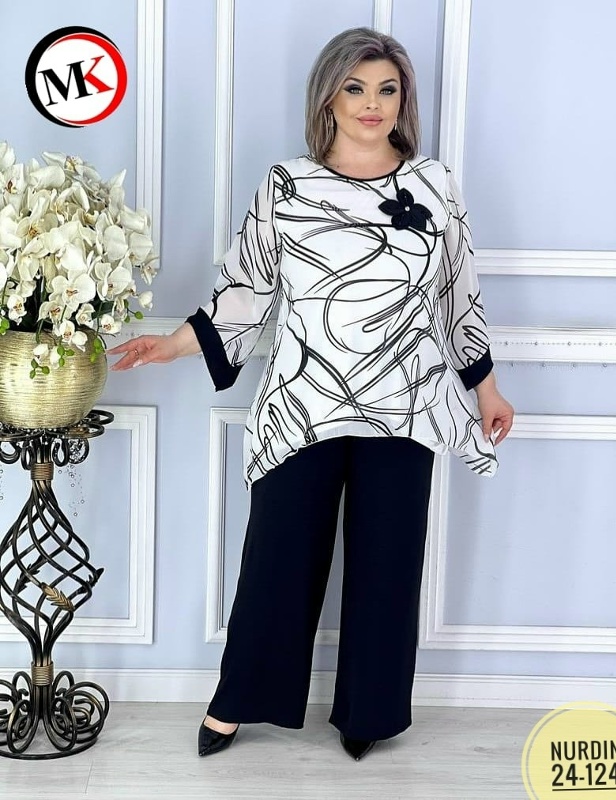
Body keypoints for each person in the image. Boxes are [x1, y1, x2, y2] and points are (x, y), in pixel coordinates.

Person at [109, 26, 514, 762]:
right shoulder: (287, 185)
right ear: (328, 97)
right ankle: (237, 702)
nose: (372, 104)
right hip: (304, 403)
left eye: (387, 89)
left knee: (389, 565)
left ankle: (368, 713)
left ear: (404, 99)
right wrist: (171, 343)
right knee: (278, 557)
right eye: (355, 88)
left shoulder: (434, 184)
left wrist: (486, 387)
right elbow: (249, 287)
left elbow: (459, 293)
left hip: (407, 403)